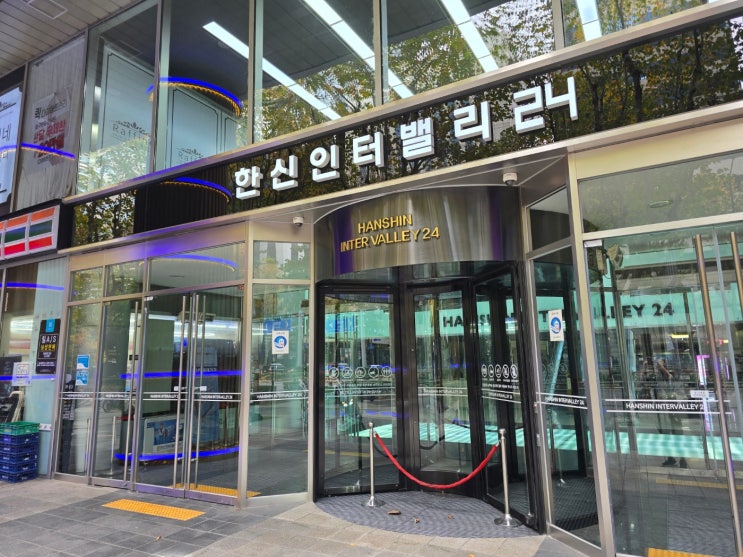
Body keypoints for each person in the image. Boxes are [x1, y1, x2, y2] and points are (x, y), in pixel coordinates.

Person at [656, 358, 687, 468]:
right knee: (664, 433)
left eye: (661, 364)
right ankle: (670, 458)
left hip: (674, 408)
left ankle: (682, 458)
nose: (659, 366)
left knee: (677, 432)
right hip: (664, 409)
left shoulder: (672, 374)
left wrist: (661, 367)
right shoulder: (658, 377)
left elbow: (671, 378)